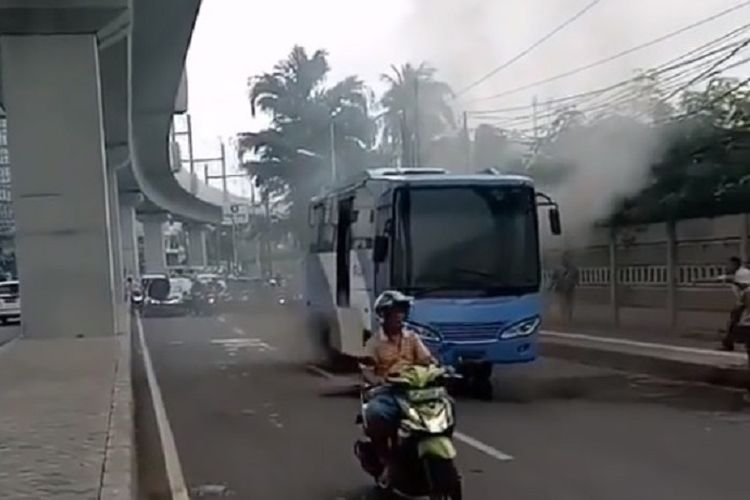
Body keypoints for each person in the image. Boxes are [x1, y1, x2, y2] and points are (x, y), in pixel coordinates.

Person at [361, 290, 435, 480]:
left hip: (416, 391)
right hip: (389, 392)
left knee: (445, 405)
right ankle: (385, 459)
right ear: (383, 316)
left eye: (402, 311)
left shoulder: (412, 338)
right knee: (376, 414)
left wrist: (439, 369)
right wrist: (378, 381)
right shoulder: (374, 342)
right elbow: (367, 369)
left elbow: (427, 360)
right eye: (395, 312)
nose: (399, 316)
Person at [706, 257, 750, 351]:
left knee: (739, 323)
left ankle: (730, 343)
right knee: (734, 322)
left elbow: (743, 285)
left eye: (729, 265)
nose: (727, 267)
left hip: (746, 303)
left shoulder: (742, 273)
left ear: (735, 265)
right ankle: (728, 343)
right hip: (743, 302)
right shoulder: (737, 274)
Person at [551, 252, 579, 324]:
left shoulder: (574, 268)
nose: (565, 260)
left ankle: (569, 317)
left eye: (567, 258)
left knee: (570, 303)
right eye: (564, 258)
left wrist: (576, 282)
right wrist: (550, 286)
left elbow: (577, 277)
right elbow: (553, 278)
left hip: (570, 288)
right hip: (561, 288)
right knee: (563, 304)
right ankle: (564, 317)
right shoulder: (558, 269)